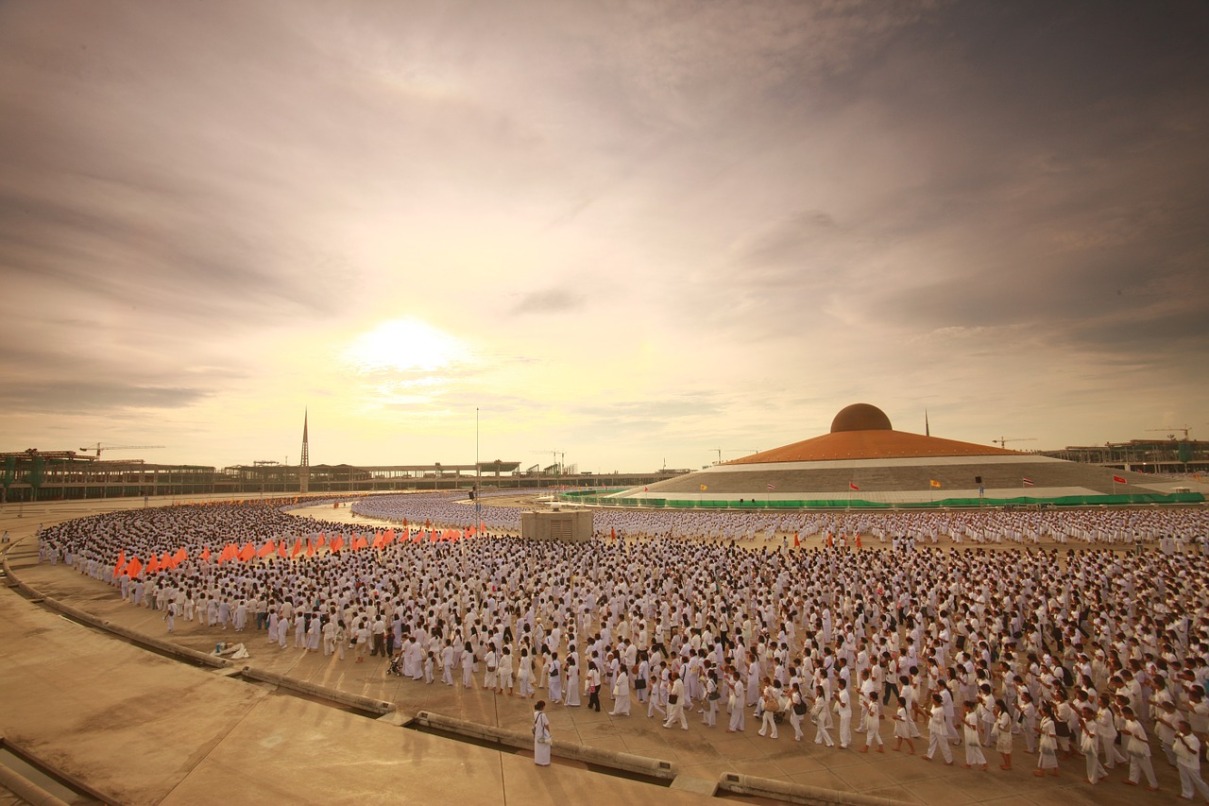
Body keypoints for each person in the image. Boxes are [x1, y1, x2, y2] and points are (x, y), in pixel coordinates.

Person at [1174, 719, 1209, 802]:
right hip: (1181, 760)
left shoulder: (1194, 740)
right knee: (1184, 778)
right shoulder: (1181, 734)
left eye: (1181, 727)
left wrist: (1183, 741)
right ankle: (1187, 794)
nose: (1179, 729)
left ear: (1187, 728)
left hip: (1191, 763)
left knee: (1198, 781)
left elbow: (1193, 752)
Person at [1035, 702, 1059, 777]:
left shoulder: (1050, 722)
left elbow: (1053, 734)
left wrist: (1042, 731)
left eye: (1043, 711)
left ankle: (1042, 771)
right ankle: (1053, 771)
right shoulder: (1044, 719)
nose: (1041, 713)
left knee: (1046, 757)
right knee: (1047, 756)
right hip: (1044, 740)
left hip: (1048, 741)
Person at [533, 700, 551, 767]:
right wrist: (549, 732)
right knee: (545, 748)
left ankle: (538, 761)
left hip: (537, 732)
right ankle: (544, 762)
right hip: (543, 733)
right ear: (542, 707)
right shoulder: (543, 715)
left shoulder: (535, 713)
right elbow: (546, 725)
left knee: (538, 747)